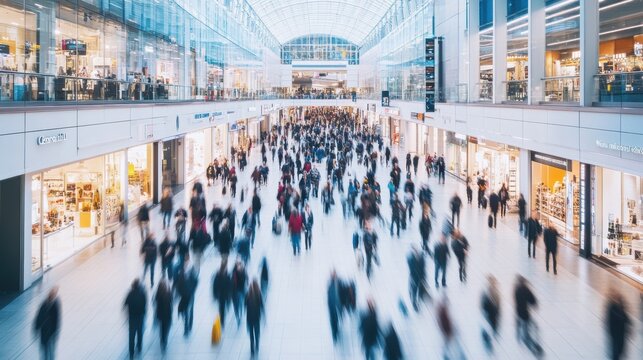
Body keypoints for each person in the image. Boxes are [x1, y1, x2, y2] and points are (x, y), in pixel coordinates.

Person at [514, 275, 541, 355]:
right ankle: (526, 339)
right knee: (528, 325)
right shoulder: (524, 289)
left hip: (519, 311)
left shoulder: (517, 289)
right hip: (524, 312)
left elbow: (530, 298)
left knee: (522, 323)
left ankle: (521, 334)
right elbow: (532, 299)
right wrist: (535, 304)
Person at [34, 287, 61, 360]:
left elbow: (57, 319)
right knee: (46, 349)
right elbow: (39, 316)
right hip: (45, 330)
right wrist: (36, 327)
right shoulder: (45, 303)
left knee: (49, 349)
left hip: (51, 331)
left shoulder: (55, 304)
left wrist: (56, 330)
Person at [605, 290, 632, 360]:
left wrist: (629, 323)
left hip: (621, 331)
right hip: (615, 332)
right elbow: (613, 318)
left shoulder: (621, 305)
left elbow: (625, 315)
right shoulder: (611, 307)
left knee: (621, 348)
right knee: (616, 349)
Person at [123, 279, 146, 359]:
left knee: (131, 335)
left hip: (132, 318)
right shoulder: (142, 293)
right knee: (140, 333)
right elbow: (145, 304)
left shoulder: (130, 294)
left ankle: (131, 352)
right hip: (140, 317)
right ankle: (139, 347)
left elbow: (125, 304)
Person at [176, 259, 198, 336]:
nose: (186, 266)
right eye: (185, 265)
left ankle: (189, 325)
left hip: (190, 295)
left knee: (190, 310)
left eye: (187, 265)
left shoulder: (192, 273)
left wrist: (192, 290)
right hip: (184, 295)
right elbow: (178, 285)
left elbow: (196, 282)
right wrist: (180, 292)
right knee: (185, 311)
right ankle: (186, 326)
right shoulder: (181, 273)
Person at [481, 275, 501, 352]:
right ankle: (487, 341)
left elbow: (498, 303)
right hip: (489, 315)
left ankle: (490, 338)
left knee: (493, 328)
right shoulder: (485, 293)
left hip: (494, 315)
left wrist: (498, 311)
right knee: (488, 329)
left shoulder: (496, 293)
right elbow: (483, 304)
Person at [245, 280, 264, 356]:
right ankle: (257, 346)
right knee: (257, 333)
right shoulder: (258, 295)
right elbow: (261, 305)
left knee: (251, 334)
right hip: (256, 317)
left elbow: (245, 305)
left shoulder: (248, 295)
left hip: (249, 318)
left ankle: (252, 348)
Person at [154, 278, 173, 352]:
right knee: (167, 327)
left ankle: (162, 340)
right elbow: (171, 300)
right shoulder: (168, 293)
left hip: (160, 314)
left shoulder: (158, 293)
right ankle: (165, 340)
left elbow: (156, 301)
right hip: (168, 314)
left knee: (162, 328)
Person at [407, 246, 427, 311]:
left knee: (420, 290)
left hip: (421, 276)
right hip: (414, 277)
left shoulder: (421, 256)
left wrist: (424, 276)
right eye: (414, 251)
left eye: (416, 251)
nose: (416, 252)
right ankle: (414, 303)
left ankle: (419, 297)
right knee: (414, 291)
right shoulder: (410, 258)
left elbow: (424, 267)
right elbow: (411, 269)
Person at [212, 259, 231, 328]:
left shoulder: (226, 275)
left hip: (223, 295)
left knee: (222, 308)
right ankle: (222, 321)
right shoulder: (220, 275)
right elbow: (215, 286)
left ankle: (222, 320)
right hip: (222, 295)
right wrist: (215, 294)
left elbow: (230, 285)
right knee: (222, 309)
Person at [231, 260, 248, 326]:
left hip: (242, 289)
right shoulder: (234, 273)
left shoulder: (243, 271)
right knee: (236, 306)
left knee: (241, 302)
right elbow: (233, 283)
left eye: (240, 265)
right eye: (238, 265)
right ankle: (238, 317)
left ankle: (240, 313)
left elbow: (246, 277)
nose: (239, 267)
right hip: (236, 291)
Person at [327, 270, 341, 343]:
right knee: (333, 321)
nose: (335, 276)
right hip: (332, 308)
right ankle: (334, 334)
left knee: (336, 320)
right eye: (333, 275)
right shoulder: (330, 284)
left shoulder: (338, 282)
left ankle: (336, 330)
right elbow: (329, 297)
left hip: (337, 307)